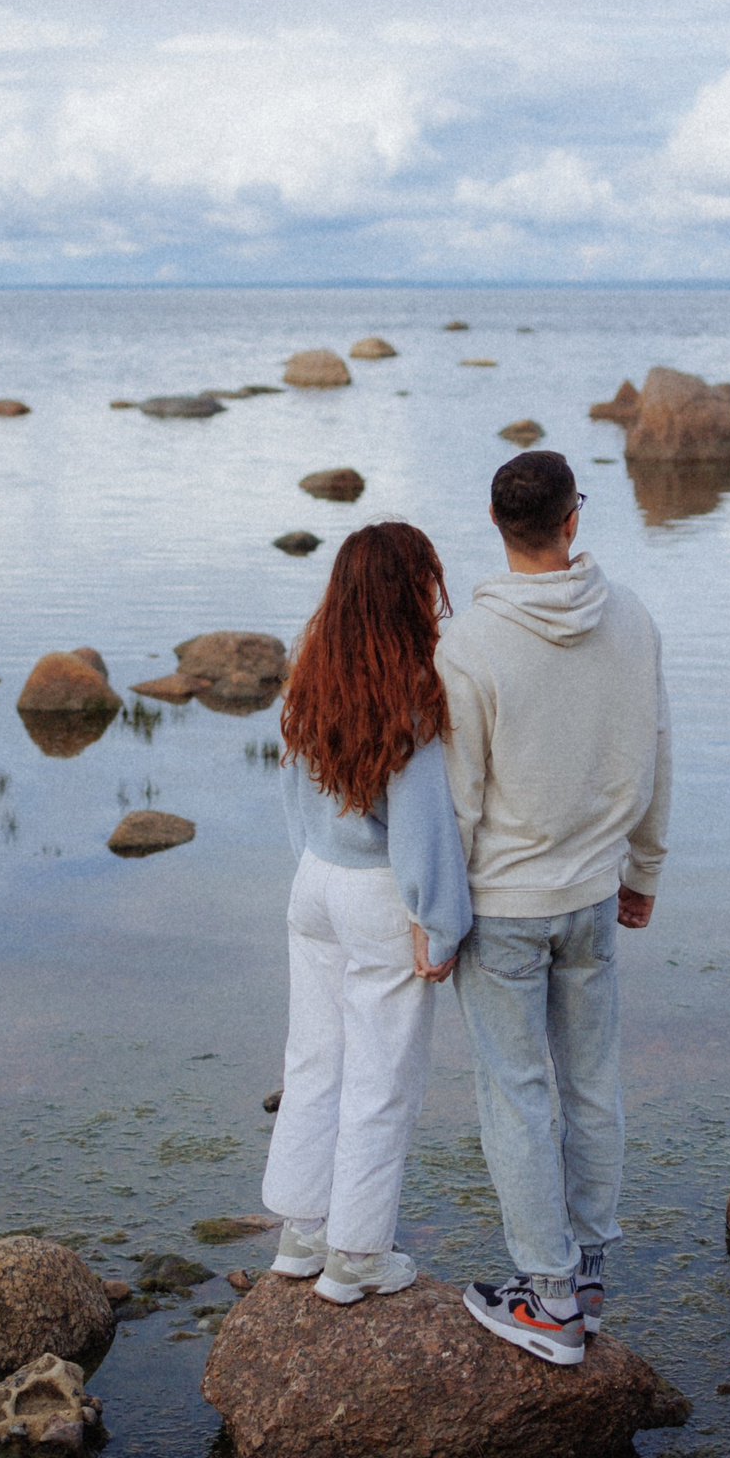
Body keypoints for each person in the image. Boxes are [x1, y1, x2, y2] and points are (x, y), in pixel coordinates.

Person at [439, 450, 670, 1366]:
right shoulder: (633, 619)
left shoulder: (467, 645)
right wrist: (644, 869)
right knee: (591, 1082)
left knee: (517, 1094)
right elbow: (656, 753)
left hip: (502, 904)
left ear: (497, 525)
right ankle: (591, 1277)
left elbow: (458, 800)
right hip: (592, 896)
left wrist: (436, 919)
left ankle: (548, 1296)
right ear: (574, 519)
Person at [260, 520, 475, 1305]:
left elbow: (292, 789)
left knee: (314, 1059)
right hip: (379, 890)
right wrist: (440, 922)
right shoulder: (411, 689)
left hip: (314, 880)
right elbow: (422, 826)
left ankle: (301, 1233)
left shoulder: (312, 673)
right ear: (409, 591)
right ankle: (355, 1255)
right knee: (382, 1077)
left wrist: (314, 860)